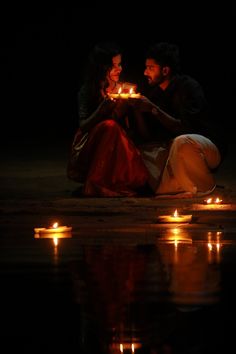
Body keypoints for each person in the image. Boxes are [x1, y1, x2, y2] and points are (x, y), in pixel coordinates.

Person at [129, 42, 227, 198]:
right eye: (146, 67)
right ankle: (178, 186)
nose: (145, 72)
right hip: (174, 149)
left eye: (151, 68)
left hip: (203, 148)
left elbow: (186, 128)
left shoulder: (189, 87)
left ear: (165, 70)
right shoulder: (155, 93)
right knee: (139, 151)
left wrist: (154, 109)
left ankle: (201, 186)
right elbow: (147, 136)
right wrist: (137, 110)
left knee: (181, 142)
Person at [67, 41, 149, 197]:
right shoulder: (88, 90)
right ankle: (96, 183)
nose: (120, 69)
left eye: (120, 64)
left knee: (115, 130)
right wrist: (101, 109)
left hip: (118, 142)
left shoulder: (124, 88)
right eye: (114, 65)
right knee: (110, 126)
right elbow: (83, 126)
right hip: (91, 143)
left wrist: (135, 107)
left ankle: (116, 181)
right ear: (102, 67)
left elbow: (135, 128)